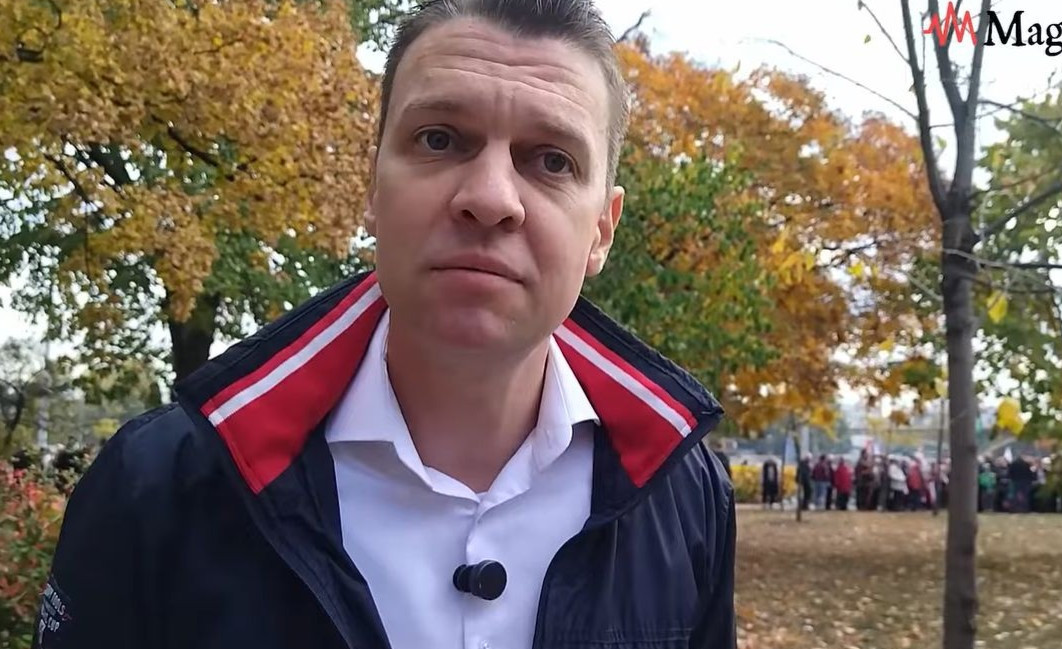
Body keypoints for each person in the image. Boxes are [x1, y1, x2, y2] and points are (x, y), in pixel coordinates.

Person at [33, 2, 736, 648]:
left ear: (602, 230)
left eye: (552, 160)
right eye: (440, 138)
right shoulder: (158, 486)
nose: (491, 198)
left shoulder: (686, 497)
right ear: (373, 187)